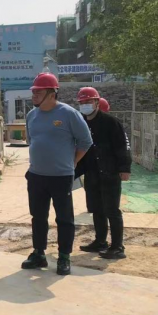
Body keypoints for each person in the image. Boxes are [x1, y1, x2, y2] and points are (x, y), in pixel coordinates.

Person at [22, 73, 93, 276]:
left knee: (64, 218)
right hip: (36, 175)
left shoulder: (69, 114)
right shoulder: (31, 116)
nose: (34, 95)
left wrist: (73, 162)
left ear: (52, 93)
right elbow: (32, 141)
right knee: (38, 217)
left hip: (61, 177)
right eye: (33, 92)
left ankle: (64, 256)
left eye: (39, 92)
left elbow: (85, 142)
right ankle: (39, 253)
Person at [74, 87, 131, 260]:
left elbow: (122, 146)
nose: (85, 104)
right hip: (92, 173)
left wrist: (124, 168)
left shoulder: (111, 122)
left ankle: (117, 247)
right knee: (97, 209)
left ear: (97, 102)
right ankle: (100, 241)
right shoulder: (81, 122)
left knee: (112, 210)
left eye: (88, 101)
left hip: (110, 172)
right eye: (82, 102)